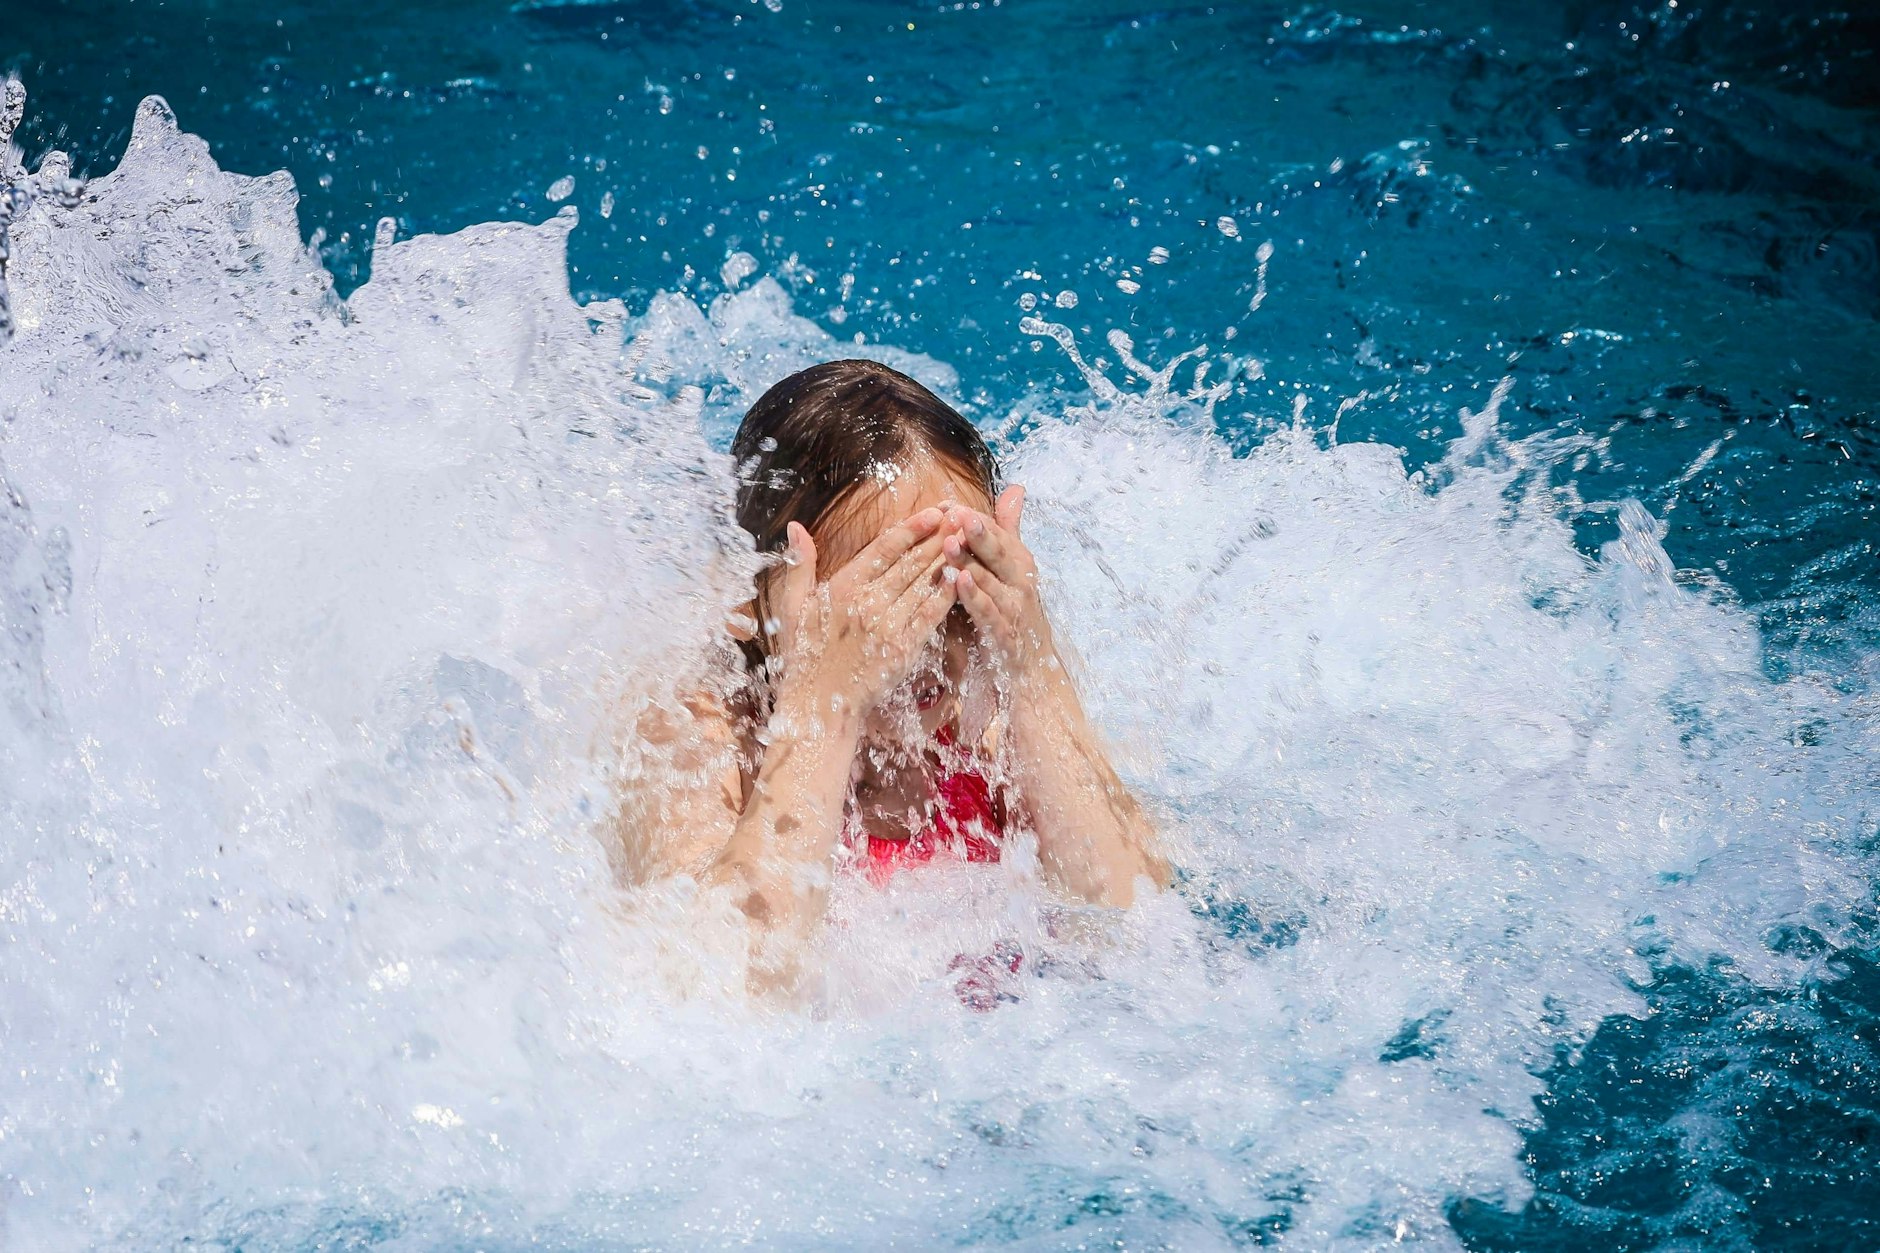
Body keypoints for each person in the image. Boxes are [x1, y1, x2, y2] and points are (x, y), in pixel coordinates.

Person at [622, 359, 1165, 991]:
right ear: (750, 604)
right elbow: (719, 989)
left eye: (956, 598)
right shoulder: (701, 741)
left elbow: (1139, 936)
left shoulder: (986, 742)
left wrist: (1031, 667)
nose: (925, 644)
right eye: (882, 608)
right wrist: (825, 702)